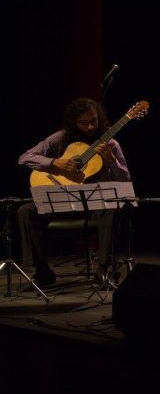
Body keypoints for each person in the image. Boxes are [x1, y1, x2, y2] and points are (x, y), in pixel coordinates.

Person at [17, 97, 132, 286]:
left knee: (111, 207)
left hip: (93, 205)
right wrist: (55, 164)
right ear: (73, 122)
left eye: (93, 121)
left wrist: (112, 162)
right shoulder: (61, 138)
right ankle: (42, 270)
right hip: (62, 201)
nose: (89, 127)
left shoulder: (110, 144)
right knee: (26, 211)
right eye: (83, 123)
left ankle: (103, 269)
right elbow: (25, 158)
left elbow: (125, 183)